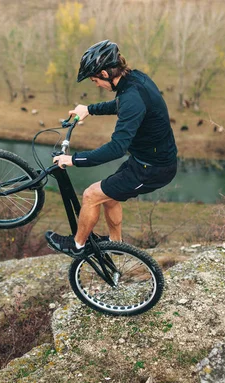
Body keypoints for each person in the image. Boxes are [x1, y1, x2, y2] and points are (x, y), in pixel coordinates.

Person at [45, 40, 177, 258]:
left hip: (153, 168)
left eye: (95, 79)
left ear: (105, 73)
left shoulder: (131, 97)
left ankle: (77, 246)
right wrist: (89, 109)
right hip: (144, 160)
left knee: (91, 195)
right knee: (110, 196)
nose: (96, 84)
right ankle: (117, 244)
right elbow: (120, 105)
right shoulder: (134, 80)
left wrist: (73, 160)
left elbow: (117, 148)